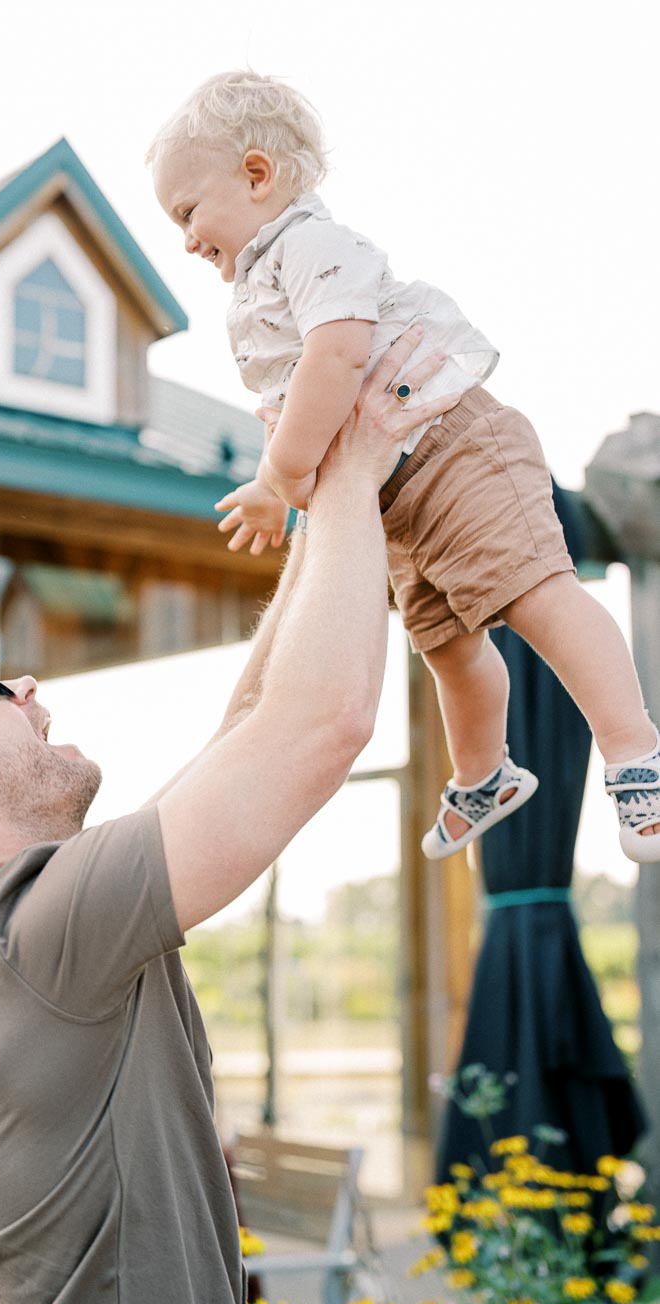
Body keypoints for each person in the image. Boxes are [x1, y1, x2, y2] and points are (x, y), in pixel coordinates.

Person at [0, 331, 453, 1304]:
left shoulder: (28, 929)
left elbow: (251, 728)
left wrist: (309, 500)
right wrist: (358, 461)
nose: (24, 689)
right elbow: (322, 724)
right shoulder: (34, 931)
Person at [148, 70, 660, 865]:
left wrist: (280, 479)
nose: (184, 237)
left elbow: (340, 352)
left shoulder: (310, 247)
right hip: (396, 496)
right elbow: (299, 397)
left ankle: (637, 753)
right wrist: (283, 466)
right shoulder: (261, 285)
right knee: (447, 647)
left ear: (256, 175)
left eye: (188, 212)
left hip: (455, 447)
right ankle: (485, 773)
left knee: (537, 597)